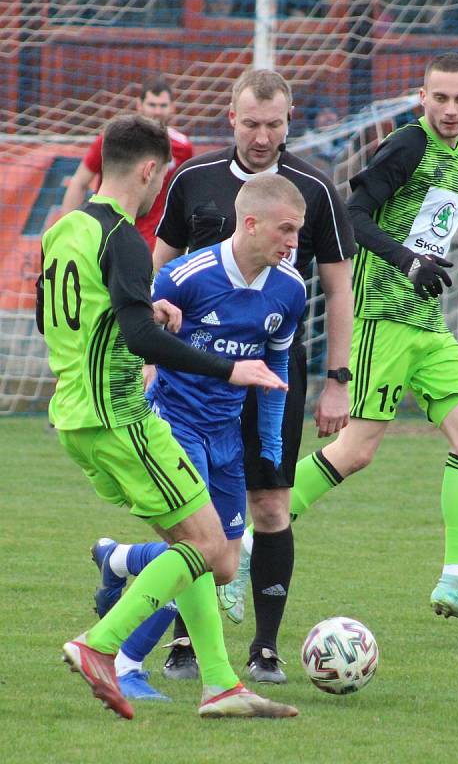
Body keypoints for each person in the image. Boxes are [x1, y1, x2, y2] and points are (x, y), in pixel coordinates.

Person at [234, 52, 458, 638]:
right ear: (421, 97)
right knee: (356, 451)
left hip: (425, 323)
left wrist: (420, 266)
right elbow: (353, 216)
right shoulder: (407, 145)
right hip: (382, 318)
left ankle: (457, 579)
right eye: (439, 98)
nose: (450, 109)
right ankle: (240, 548)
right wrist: (407, 260)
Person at [37, 113, 298, 720]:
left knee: (195, 546)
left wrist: (145, 308)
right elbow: (139, 342)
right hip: (123, 418)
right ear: (150, 171)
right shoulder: (123, 237)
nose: (161, 190)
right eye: (163, 178)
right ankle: (99, 645)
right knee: (215, 549)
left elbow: (79, 319)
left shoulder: (65, 229)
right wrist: (229, 369)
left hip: (76, 417)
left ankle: (220, 686)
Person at [153, 69, 355, 684]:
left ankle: (265, 649)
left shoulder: (313, 189)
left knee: (270, 503)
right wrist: (142, 358)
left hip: (271, 375)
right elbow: (157, 270)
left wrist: (337, 377)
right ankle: (184, 640)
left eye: (274, 124)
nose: (262, 136)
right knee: (191, 511)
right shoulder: (193, 179)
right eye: (251, 123)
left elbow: (337, 285)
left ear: (289, 119)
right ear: (231, 117)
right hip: (195, 378)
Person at [89, 173, 307, 701]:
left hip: (226, 436)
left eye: (298, 232)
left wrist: (272, 445)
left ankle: (119, 558)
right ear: (250, 224)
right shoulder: (185, 276)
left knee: (224, 562)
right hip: (174, 426)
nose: (293, 242)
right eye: (285, 230)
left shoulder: (290, 290)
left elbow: (276, 364)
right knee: (195, 552)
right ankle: (125, 661)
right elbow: (138, 343)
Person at [61, 76, 193, 251]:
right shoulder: (113, 138)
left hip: (153, 242)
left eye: (163, 106)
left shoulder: (182, 147)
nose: (157, 111)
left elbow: (185, 196)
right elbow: (79, 182)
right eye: (152, 105)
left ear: (172, 108)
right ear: (139, 105)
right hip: (107, 234)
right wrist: (68, 233)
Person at [301, 102, 349, 180]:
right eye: (322, 113)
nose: (329, 117)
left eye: (332, 112)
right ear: (313, 120)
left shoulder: (347, 147)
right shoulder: (303, 149)